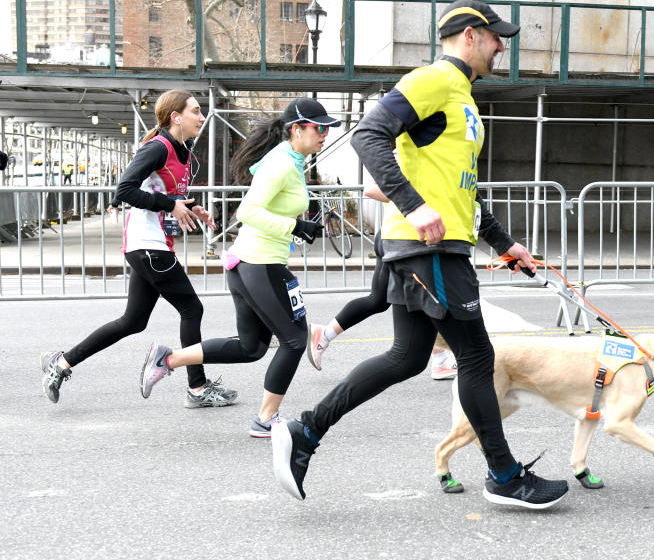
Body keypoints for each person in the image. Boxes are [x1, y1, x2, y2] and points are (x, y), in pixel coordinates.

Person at [272, 0, 569, 509]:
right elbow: (369, 135)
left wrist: (504, 243)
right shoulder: (433, 80)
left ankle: (305, 431)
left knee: (409, 357)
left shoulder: (464, 98)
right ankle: (504, 475)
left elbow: (463, 190)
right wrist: (414, 205)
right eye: (497, 37)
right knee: (477, 356)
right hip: (428, 248)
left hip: (439, 244)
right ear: (471, 36)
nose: (502, 47)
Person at [138, 98, 341, 438]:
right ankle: (265, 420)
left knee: (252, 348)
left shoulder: (290, 159)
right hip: (260, 263)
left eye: (327, 128)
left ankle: (168, 359)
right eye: (319, 128)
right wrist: (295, 227)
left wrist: (296, 225)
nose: (325, 134)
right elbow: (247, 212)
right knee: (294, 340)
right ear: (297, 129)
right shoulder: (281, 164)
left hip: (250, 263)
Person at [40, 89, 234, 407]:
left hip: (151, 246)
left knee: (133, 321)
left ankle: (60, 363)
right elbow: (125, 190)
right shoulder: (157, 148)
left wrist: (191, 207)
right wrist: (171, 205)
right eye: (196, 111)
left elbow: (165, 193)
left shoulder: (182, 150)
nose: (202, 117)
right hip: (149, 246)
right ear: (176, 117)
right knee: (192, 309)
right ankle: (197, 389)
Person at [306, 184, 458, 380]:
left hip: (399, 238)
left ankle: (325, 334)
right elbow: (372, 189)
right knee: (427, 298)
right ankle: (441, 360)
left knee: (382, 300)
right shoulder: (405, 156)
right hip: (401, 239)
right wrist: (416, 204)